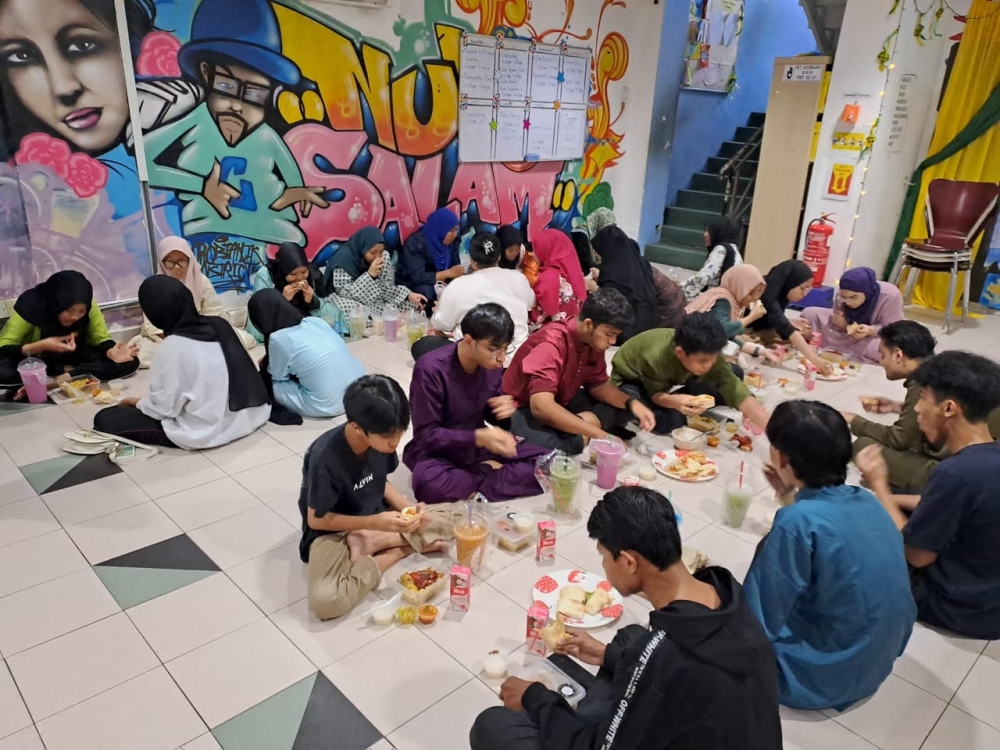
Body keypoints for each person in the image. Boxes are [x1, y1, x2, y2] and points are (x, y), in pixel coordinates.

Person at [471, 486, 783, 750]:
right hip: (707, 726)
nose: (604, 567)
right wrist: (608, 656)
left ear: (629, 562)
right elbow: (676, 675)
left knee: (493, 726)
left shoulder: (662, 652)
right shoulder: (727, 595)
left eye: (605, 557)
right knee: (631, 637)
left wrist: (536, 698)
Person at [743, 400, 915, 711]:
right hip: (877, 662)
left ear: (782, 457)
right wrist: (787, 494)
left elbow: (759, 618)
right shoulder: (867, 500)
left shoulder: (796, 523)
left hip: (822, 675)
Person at [143, 0, 329, 245]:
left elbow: (290, 173)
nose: (237, 105)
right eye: (227, 86)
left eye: (254, 94)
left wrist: (291, 192)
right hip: (207, 233)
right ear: (206, 74)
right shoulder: (195, 122)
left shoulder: (266, 136)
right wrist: (201, 185)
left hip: (272, 237)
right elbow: (146, 162)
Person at [857, 351, 1000, 640]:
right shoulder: (988, 455)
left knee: (859, 541)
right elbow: (953, 504)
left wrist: (880, 485)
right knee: (903, 496)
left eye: (923, 398)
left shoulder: (956, 473)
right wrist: (892, 499)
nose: (917, 409)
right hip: (991, 600)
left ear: (949, 408)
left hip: (958, 607)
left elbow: (916, 555)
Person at [299, 374, 462, 620]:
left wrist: (408, 509)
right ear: (356, 428)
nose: (395, 442)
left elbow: (378, 480)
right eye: (388, 438)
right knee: (326, 601)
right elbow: (317, 521)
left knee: (461, 515)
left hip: (377, 517)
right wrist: (375, 524)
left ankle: (381, 541)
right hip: (335, 529)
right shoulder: (325, 458)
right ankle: (397, 549)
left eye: (399, 433)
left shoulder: (382, 438)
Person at [93, 276, 269, 448]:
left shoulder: (171, 347)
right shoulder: (219, 325)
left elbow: (163, 409)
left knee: (106, 418)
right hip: (250, 416)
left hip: (205, 432)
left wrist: (135, 402)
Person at [404, 304, 547, 504]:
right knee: (428, 483)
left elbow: (487, 412)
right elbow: (426, 436)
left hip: (478, 448)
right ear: (469, 340)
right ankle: (488, 475)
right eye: (493, 349)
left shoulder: (491, 365)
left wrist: (502, 414)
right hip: (439, 452)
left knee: (549, 463)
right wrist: (479, 439)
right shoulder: (430, 369)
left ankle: (472, 485)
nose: (501, 358)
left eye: (506, 348)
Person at [503, 289, 655, 455]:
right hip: (524, 406)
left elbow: (597, 384)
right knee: (551, 448)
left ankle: (574, 426)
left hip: (563, 398)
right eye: (609, 334)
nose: (612, 342)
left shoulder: (592, 341)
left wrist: (631, 402)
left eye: (616, 336)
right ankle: (578, 430)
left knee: (629, 401)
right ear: (588, 324)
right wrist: (599, 434)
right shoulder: (551, 344)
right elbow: (541, 407)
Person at [611, 313, 770, 435]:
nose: (708, 364)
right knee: (668, 421)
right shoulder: (656, 357)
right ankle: (678, 399)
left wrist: (772, 430)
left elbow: (733, 387)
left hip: (674, 377)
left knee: (735, 373)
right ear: (680, 353)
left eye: (713, 358)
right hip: (633, 380)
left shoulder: (706, 350)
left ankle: (682, 396)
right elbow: (656, 395)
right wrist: (674, 401)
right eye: (703, 360)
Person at [840, 321, 947, 492]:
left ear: (898, 354)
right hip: (976, 460)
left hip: (948, 473)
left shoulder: (922, 382)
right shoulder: (943, 368)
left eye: (882, 355)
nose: (881, 362)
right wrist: (897, 407)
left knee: (864, 446)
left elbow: (900, 439)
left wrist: (853, 420)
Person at [131, 236, 255, 367]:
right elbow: (152, 326)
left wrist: (196, 333)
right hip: (165, 337)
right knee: (141, 351)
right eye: (170, 262)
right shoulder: (156, 287)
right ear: (162, 262)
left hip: (200, 332)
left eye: (181, 261)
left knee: (241, 338)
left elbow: (214, 314)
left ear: (189, 259)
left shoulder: (201, 281)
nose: (177, 267)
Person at [0, 270, 139, 386]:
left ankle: (65, 377)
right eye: (70, 311)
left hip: (77, 357)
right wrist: (38, 346)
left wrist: (111, 352)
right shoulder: (31, 306)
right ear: (57, 303)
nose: (75, 317)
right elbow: (3, 347)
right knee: (3, 370)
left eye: (81, 312)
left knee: (129, 361)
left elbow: (100, 338)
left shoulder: (89, 305)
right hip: (38, 362)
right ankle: (70, 372)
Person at [413, 232, 535, 363]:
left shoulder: (458, 285)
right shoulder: (519, 278)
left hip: (479, 361)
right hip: (516, 358)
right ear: (499, 257)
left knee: (423, 346)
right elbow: (530, 303)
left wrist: (439, 310)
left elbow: (440, 324)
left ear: (472, 261)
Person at [247, 289, 365, 420]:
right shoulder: (314, 321)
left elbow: (277, 376)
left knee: (269, 383)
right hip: (358, 392)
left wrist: (268, 364)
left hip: (328, 404)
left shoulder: (277, 338)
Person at [800, 267, 904, 364]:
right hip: (845, 334)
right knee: (810, 314)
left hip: (873, 336)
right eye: (844, 297)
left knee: (883, 348)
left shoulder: (890, 296)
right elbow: (838, 317)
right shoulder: (841, 294)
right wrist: (843, 323)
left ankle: (831, 346)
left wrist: (870, 330)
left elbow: (894, 330)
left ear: (867, 293)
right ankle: (837, 348)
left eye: (853, 297)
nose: (848, 302)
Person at [323, 226, 426, 323]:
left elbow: (386, 287)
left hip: (376, 299)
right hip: (353, 301)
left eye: (380, 252)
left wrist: (408, 295)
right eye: (373, 252)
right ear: (363, 248)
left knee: (409, 305)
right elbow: (344, 293)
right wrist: (369, 275)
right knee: (345, 307)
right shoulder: (343, 260)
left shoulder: (384, 256)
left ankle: (379, 320)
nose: (377, 256)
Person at [246, 242, 344, 342]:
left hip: (306, 323)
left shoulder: (312, 273)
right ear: (283, 271)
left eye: (303, 272)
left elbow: (329, 313)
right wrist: (282, 301)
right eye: (293, 274)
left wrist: (312, 302)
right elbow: (259, 313)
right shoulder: (266, 275)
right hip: (279, 326)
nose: (300, 278)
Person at [748, 260, 832, 376]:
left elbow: (772, 318)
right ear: (790, 282)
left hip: (761, 329)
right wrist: (814, 359)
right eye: (802, 288)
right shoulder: (767, 292)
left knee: (796, 335)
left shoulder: (780, 290)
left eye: (808, 289)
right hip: (746, 330)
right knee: (786, 338)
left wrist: (790, 321)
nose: (804, 294)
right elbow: (777, 320)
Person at [685, 265, 782, 364]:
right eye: (751, 293)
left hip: (704, 343)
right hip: (692, 347)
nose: (755, 298)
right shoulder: (722, 301)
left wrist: (763, 352)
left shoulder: (735, 302)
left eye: (759, 293)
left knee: (756, 352)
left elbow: (729, 338)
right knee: (738, 363)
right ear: (738, 286)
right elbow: (721, 332)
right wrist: (751, 317)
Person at [591, 226, 658, 344]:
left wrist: (595, 289)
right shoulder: (640, 262)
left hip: (626, 332)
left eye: (599, 252)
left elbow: (610, 307)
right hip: (649, 326)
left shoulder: (614, 273)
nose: (597, 257)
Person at [395, 207, 464, 306]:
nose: (455, 234)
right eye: (451, 231)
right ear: (440, 229)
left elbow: (455, 265)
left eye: (456, 230)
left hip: (441, 282)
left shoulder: (452, 241)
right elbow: (418, 277)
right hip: (415, 285)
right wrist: (448, 273)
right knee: (427, 293)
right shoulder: (416, 243)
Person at [529, 229, 588, 331]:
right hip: (574, 333)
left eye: (537, 249)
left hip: (552, 336)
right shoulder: (574, 274)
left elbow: (537, 317)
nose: (533, 254)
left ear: (546, 249)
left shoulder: (549, 276)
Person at [682, 217, 744, 301]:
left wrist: (679, 289)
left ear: (718, 232)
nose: (705, 234)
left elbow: (703, 278)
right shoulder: (734, 250)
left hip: (716, 301)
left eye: (708, 231)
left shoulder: (721, 249)